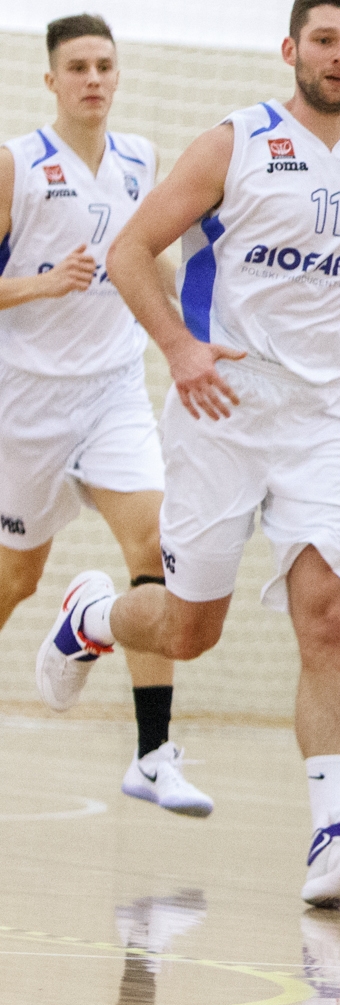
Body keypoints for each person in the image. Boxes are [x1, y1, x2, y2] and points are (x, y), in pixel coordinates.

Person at [39, 0, 340, 909]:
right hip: (220, 408)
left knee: (330, 613)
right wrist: (179, 349)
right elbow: (132, 249)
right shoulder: (236, 142)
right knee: (190, 629)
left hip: (326, 418)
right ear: (292, 48)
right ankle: (96, 616)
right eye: (326, 41)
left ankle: (331, 837)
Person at [0, 16, 210, 816]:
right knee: (14, 576)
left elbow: (151, 257)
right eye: (77, 67)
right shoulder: (16, 165)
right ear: (50, 80)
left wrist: (198, 334)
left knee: (157, 541)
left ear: (118, 77)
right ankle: (67, 625)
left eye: (104, 66)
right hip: (26, 399)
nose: (93, 78)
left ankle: (153, 753)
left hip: (114, 390)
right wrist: (40, 282)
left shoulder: (140, 161)